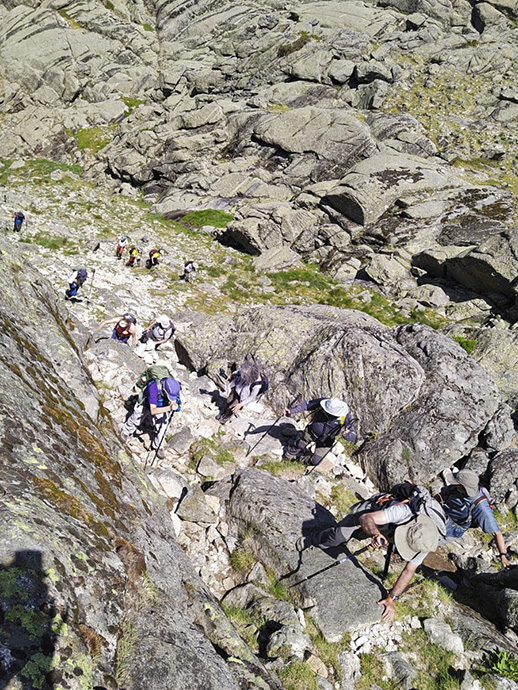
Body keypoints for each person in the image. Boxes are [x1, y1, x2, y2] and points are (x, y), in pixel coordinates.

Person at [306, 484, 449, 621]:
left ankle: (356, 534)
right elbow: (366, 518)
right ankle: (312, 539)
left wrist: (391, 599)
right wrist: (375, 534)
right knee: (337, 537)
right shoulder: (403, 512)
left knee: (355, 536)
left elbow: (408, 571)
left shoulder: (426, 542)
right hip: (373, 512)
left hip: (389, 527)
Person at [437, 469, 511, 569]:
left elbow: (497, 533)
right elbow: (442, 495)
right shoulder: (457, 487)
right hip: (441, 512)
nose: (455, 485)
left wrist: (503, 556)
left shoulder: (482, 508)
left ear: (465, 488)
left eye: (458, 484)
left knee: (428, 542)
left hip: (452, 528)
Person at [121, 374, 181, 459]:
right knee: (136, 418)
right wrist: (170, 408)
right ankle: (126, 431)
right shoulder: (153, 388)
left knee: (164, 425)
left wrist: (177, 405)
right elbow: (153, 410)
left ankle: (158, 445)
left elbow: (177, 399)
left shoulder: (175, 387)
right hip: (145, 403)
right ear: (164, 389)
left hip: (161, 405)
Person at [283, 397, 356, 466]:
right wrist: (291, 411)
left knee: (316, 461)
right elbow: (306, 405)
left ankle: (299, 459)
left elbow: (352, 433)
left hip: (326, 441)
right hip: (311, 432)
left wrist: (348, 435)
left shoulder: (345, 414)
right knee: (300, 444)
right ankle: (287, 457)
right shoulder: (323, 402)